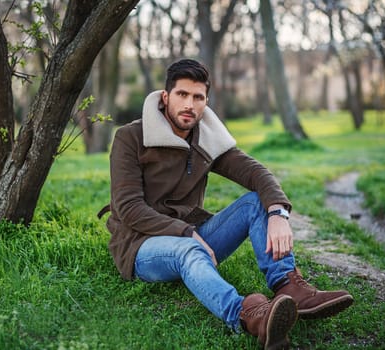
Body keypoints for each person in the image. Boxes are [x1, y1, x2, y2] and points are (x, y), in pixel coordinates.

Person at [99, 58, 353, 349]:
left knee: (256, 202)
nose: (189, 105)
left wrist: (278, 213)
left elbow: (256, 173)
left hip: (191, 234)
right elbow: (129, 208)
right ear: (166, 96)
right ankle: (248, 315)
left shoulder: (205, 139)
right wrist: (186, 233)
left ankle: (289, 287)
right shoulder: (130, 138)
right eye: (182, 94)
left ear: (206, 102)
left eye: (198, 97)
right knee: (188, 249)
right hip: (140, 245)